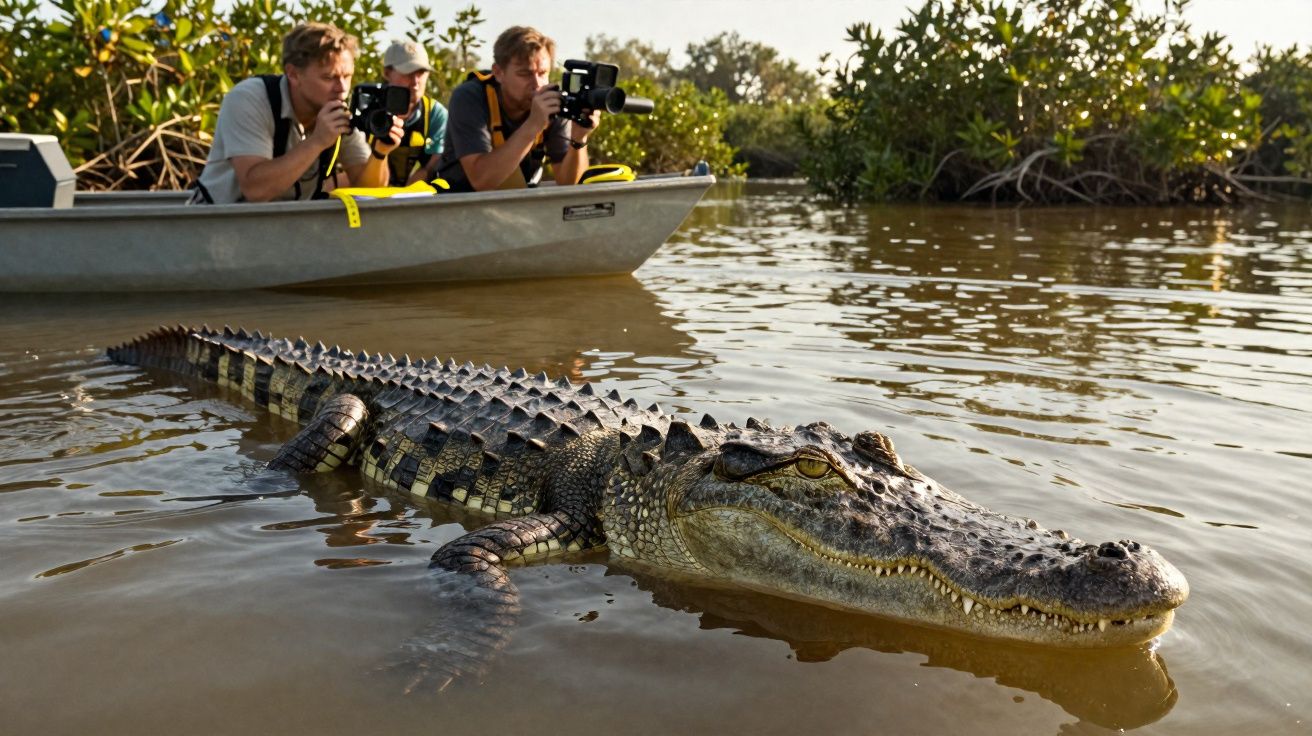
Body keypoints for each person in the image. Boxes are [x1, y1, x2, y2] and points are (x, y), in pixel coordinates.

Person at [191, 22, 403, 204]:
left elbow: (367, 190)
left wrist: (380, 152)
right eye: (329, 78)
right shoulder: (249, 99)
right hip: (213, 226)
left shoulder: (337, 109)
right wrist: (317, 141)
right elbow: (255, 190)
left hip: (284, 231)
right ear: (293, 74)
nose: (342, 88)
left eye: (347, 76)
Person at [435, 26, 599, 192]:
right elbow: (481, 181)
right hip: (458, 205)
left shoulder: (553, 101)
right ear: (498, 73)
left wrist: (579, 138)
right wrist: (534, 125)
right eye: (525, 74)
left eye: (543, 73)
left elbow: (568, 183)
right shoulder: (470, 97)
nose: (537, 85)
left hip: (517, 207)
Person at [378, 40, 448, 186]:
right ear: (386, 73)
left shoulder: (435, 114)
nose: (416, 82)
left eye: (421, 73)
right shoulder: (368, 109)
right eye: (408, 72)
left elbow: (432, 166)